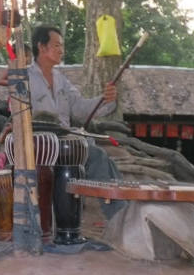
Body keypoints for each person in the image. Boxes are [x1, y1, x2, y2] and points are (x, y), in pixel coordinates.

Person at [26, 25, 123, 221]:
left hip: (65, 143)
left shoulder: (61, 80)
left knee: (106, 161)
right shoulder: (24, 77)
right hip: (40, 145)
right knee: (97, 156)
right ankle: (120, 219)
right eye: (57, 45)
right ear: (42, 47)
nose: (62, 50)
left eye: (62, 46)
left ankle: (123, 214)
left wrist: (106, 99)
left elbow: (80, 107)